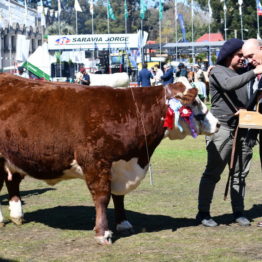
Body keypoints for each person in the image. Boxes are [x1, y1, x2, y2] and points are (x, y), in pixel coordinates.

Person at [196, 38, 262, 227]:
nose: (244, 59)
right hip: (222, 129)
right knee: (212, 173)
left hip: (243, 129)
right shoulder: (217, 71)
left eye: (245, 56)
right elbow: (228, 85)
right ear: (228, 55)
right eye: (239, 55)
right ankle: (203, 213)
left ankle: (239, 211)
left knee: (240, 174)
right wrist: (255, 70)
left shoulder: (244, 73)